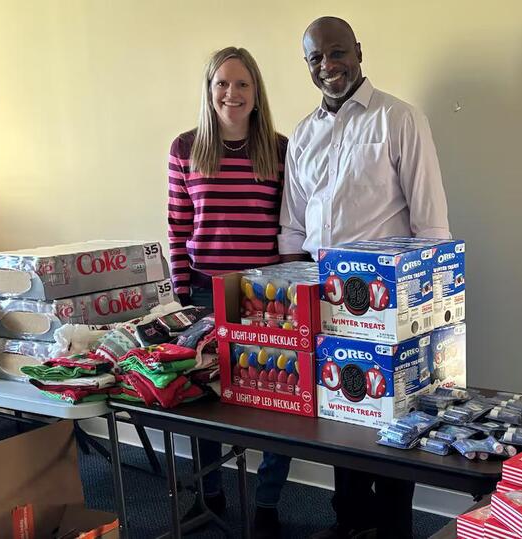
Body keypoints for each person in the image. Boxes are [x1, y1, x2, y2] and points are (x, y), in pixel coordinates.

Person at [279, 17, 451, 539]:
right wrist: (294, 300)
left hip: (390, 300)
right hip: (326, 297)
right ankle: (349, 523)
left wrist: (428, 312)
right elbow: (294, 227)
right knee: (340, 410)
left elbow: (431, 224)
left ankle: (395, 528)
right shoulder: (303, 134)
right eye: (316, 58)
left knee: (395, 418)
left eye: (337, 52)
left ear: (358, 51)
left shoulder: (399, 119)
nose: (328, 65)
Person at [167, 46, 291, 539]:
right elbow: (178, 226)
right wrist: (180, 293)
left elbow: (291, 228)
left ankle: (267, 504)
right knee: (205, 400)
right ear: (209, 90)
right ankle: (210, 493)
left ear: (257, 92)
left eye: (242, 84)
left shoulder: (279, 149)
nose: (231, 94)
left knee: (278, 401)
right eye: (222, 83)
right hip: (205, 291)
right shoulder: (185, 148)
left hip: (267, 297)